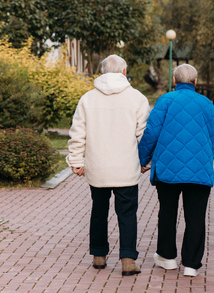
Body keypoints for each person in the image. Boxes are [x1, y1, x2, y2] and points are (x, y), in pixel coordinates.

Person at [67, 55, 150, 276]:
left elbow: (78, 133)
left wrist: (76, 161)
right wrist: (146, 162)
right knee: (127, 214)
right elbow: (144, 135)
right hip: (126, 168)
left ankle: (99, 256)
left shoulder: (87, 99)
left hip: (98, 168)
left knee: (99, 211)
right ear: (124, 72)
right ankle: (128, 260)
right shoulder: (137, 98)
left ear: (102, 73)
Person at [138, 63, 214, 277]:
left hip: (168, 168)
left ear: (174, 81)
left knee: (167, 212)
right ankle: (191, 264)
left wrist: (143, 158)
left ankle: (167, 258)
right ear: (195, 82)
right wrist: (205, 156)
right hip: (199, 170)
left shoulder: (165, 100)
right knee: (196, 216)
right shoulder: (206, 103)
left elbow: (151, 133)